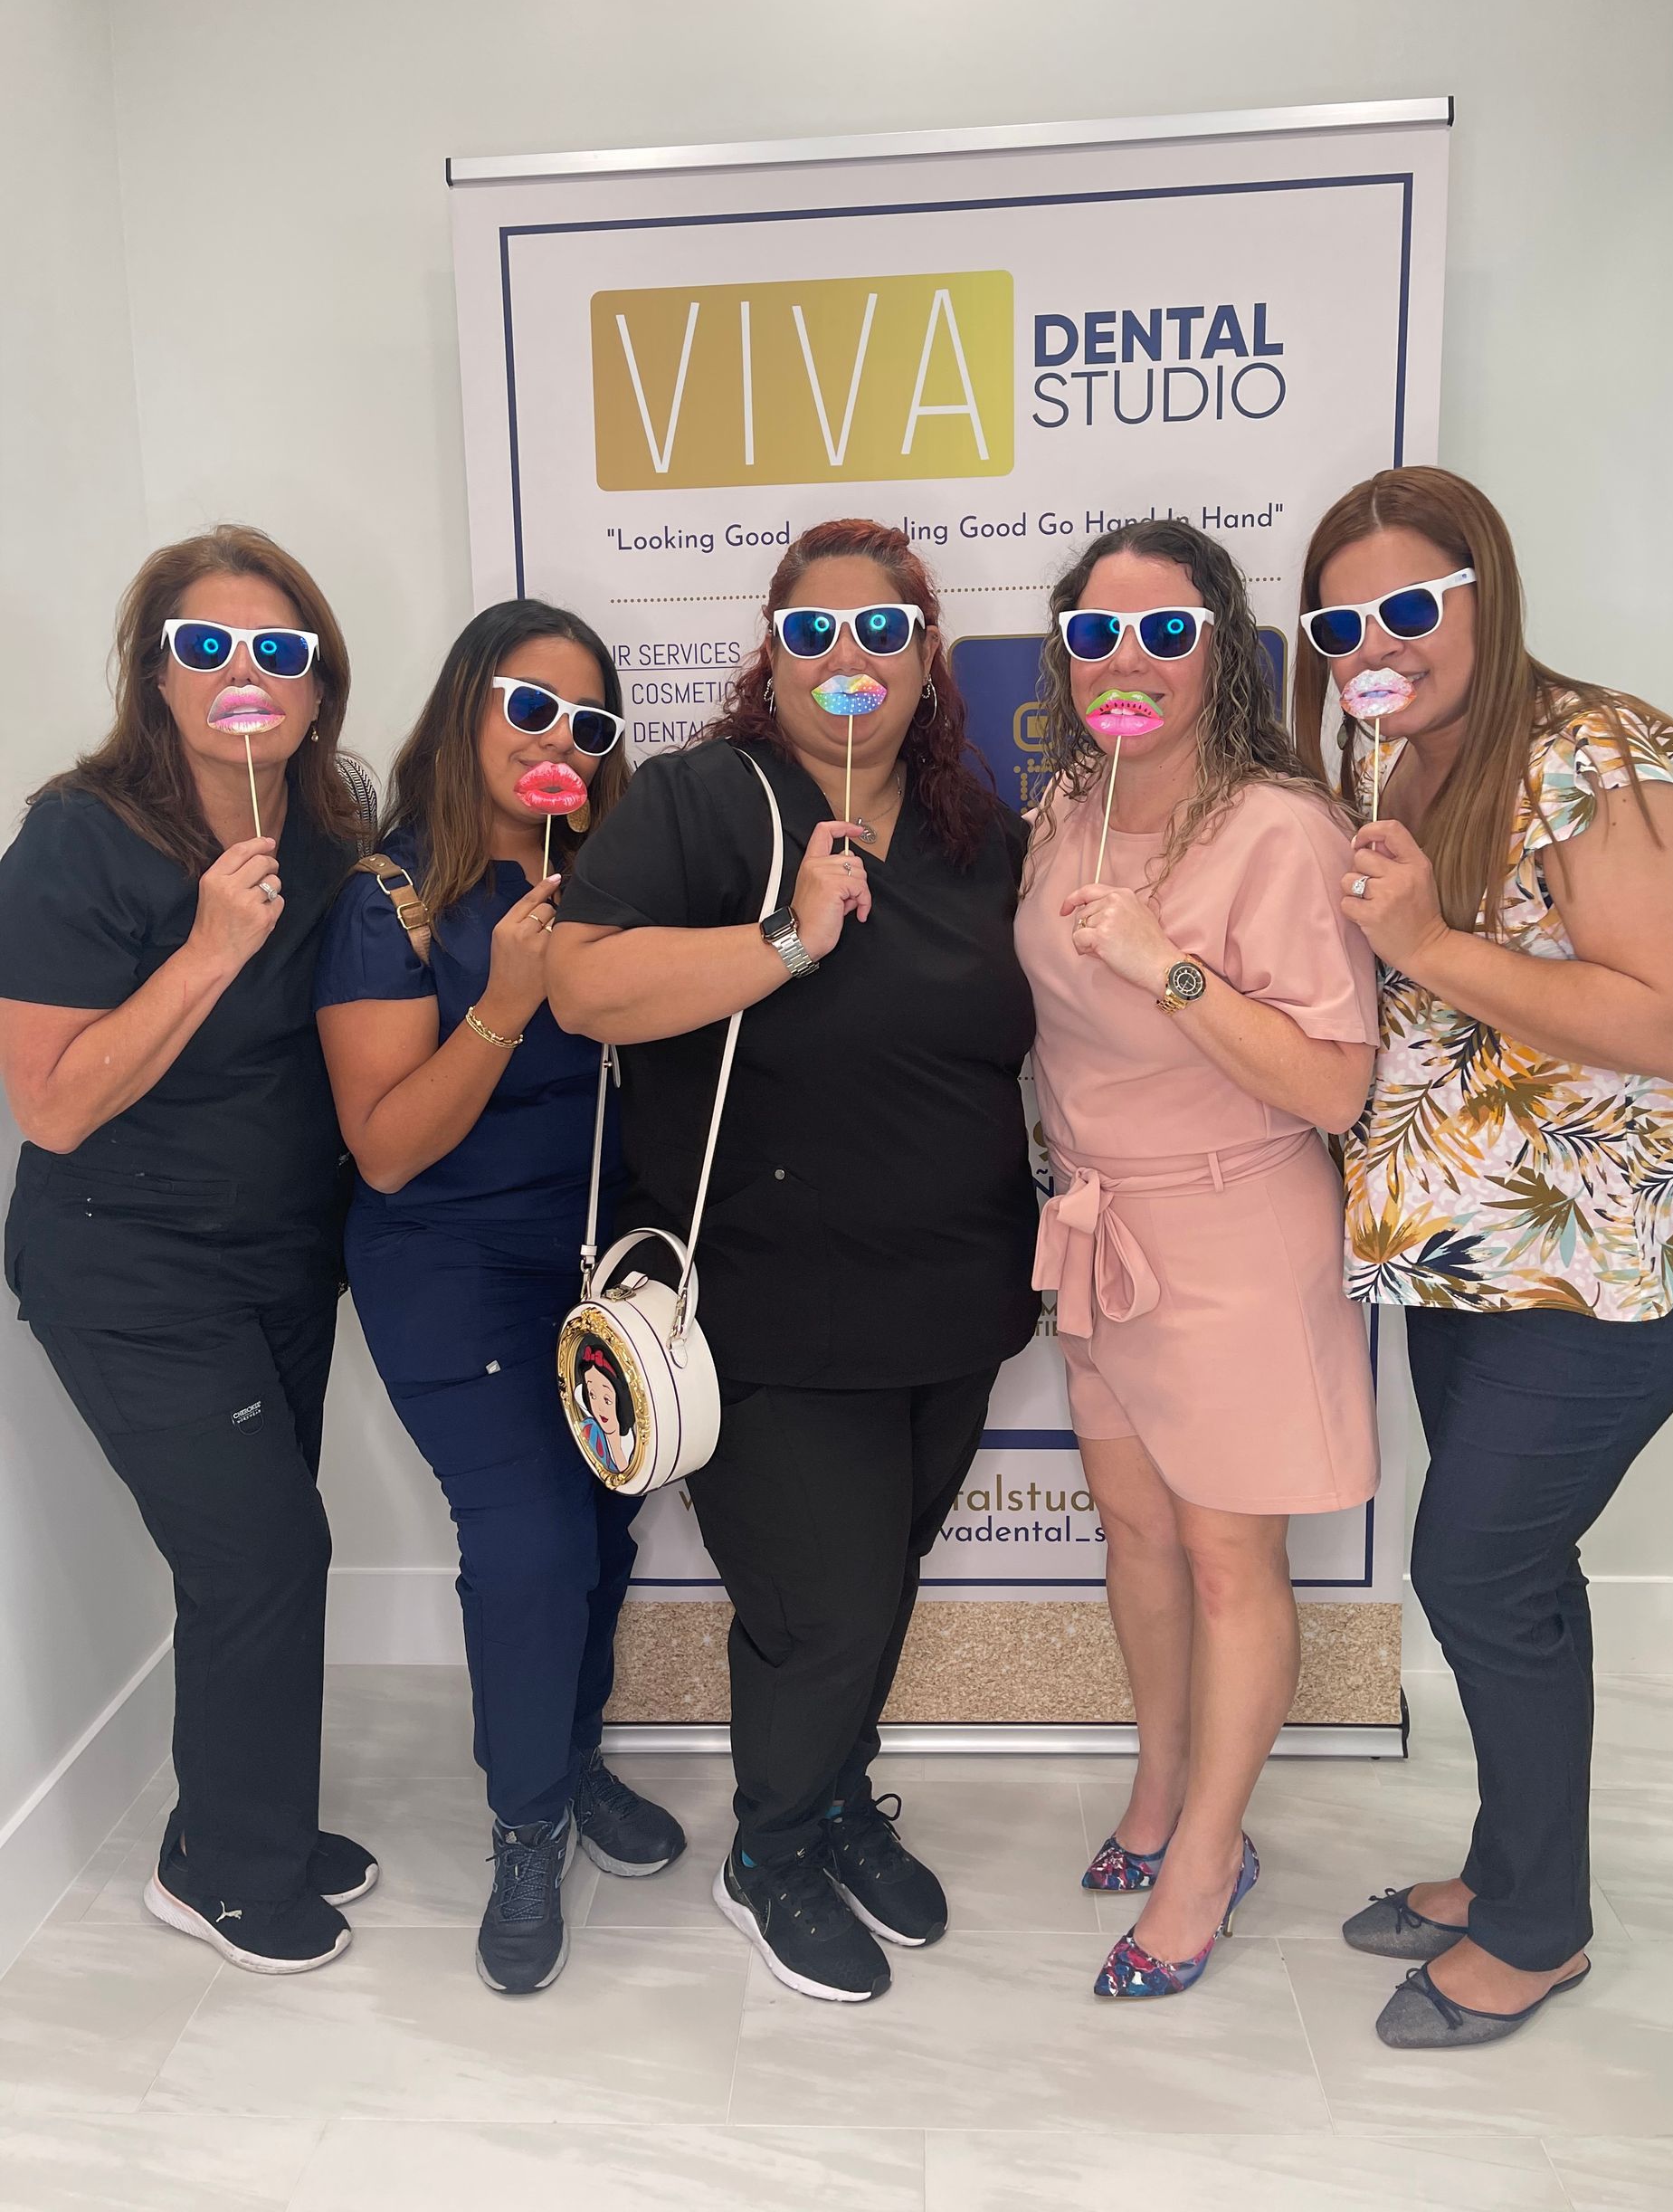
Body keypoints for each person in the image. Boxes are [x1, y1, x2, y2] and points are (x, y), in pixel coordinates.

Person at [549, 520, 1039, 2004]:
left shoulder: (978, 833)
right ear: (770, 654)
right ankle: (769, 1852)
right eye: (814, 633)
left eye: (882, 633)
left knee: (875, 1590)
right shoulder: (709, 804)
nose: (848, 660)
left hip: (951, 1300)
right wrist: (784, 937)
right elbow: (580, 987)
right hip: (760, 1301)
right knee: (820, 1608)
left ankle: (832, 1805)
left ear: (925, 656)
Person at [1293, 464, 1673, 2047]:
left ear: (1486, 591)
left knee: (1477, 1570)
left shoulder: (1593, 753)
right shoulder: (1388, 753)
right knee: (1508, 1572)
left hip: (1610, 1262)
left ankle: (1544, 1927)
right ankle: (1507, 1867)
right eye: (1340, 618)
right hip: (1468, 1254)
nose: (1371, 642)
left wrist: (1424, 946)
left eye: (1408, 607)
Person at [0, 527, 375, 1975]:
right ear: (154, 674)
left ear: (317, 685)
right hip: (131, 1268)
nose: (242, 675)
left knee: (250, 1559)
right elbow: (54, 1101)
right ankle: (225, 1874)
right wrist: (208, 948)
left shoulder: (330, 834)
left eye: (278, 651)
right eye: (205, 647)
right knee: (270, 1553)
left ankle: (241, 1813)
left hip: (282, 1259)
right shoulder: (77, 837)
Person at [1017, 518, 1380, 2000]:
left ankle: (1211, 1857)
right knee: (1138, 1535)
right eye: (1098, 632)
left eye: (1164, 633)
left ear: (1219, 649)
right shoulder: (1067, 805)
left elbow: (1331, 1089)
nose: (1127, 661)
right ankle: (1161, 1793)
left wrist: (1165, 959)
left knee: (1233, 1561)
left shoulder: (1283, 827)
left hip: (1234, 1229)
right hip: (1098, 1230)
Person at [315, 599, 685, 1996]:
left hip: (602, 1267)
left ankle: (569, 1760)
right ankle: (525, 1825)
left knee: (601, 1528)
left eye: (590, 726)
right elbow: (390, 1146)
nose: (563, 745)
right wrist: (510, 1000)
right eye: (532, 709)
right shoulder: (388, 896)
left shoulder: (611, 880)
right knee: (528, 1542)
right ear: (468, 709)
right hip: (450, 1265)